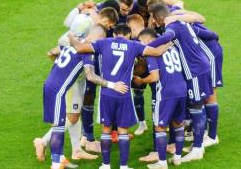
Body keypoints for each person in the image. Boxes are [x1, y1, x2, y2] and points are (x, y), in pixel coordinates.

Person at [69, 23, 171, 169]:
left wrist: (71, 37)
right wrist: (169, 43)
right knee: (123, 130)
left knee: (106, 129)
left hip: (107, 93)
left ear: (115, 34)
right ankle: (123, 166)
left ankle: (105, 165)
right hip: (124, 93)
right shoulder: (134, 45)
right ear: (129, 34)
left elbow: (79, 48)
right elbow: (156, 52)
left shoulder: (104, 43)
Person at [43, 24, 128, 169]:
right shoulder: (87, 52)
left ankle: (60, 159)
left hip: (50, 85)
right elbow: (91, 76)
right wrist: (113, 85)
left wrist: (62, 72)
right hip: (57, 91)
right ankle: (56, 164)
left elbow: (52, 53)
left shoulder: (72, 43)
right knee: (58, 127)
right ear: (99, 37)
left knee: (59, 124)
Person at [151, 3, 213, 163]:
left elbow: (167, 36)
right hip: (199, 67)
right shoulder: (179, 21)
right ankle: (198, 145)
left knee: (196, 108)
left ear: (157, 18)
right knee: (197, 106)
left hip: (195, 71)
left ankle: (198, 148)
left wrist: (145, 47)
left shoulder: (172, 26)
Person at [135, 28, 187, 168]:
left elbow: (155, 77)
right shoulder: (172, 48)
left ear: (147, 40)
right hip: (182, 89)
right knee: (178, 124)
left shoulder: (152, 52)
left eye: (140, 41)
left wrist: (141, 81)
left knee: (160, 127)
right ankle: (177, 158)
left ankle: (162, 162)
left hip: (166, 92)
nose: (140, 44)